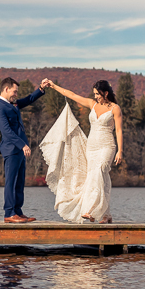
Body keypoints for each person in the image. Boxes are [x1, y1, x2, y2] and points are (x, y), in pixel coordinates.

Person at [40, 80, 123, 223]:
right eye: (95, 94)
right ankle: (106, 215)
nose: (96, 96)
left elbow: (119, 131)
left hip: (106, 146)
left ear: (106, 93)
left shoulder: (115, 109)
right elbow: (72, 95)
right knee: (98, 177)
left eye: (98, 94)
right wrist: (53, 86)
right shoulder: (93, 104)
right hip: (91, 147)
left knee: (98, 172)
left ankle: (91, 210)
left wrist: (120, 151)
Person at [0, 77, 49, 223]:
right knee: (11, 182)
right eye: (14, 91)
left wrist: (41, 89)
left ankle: (17, 211)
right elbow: (6, 131)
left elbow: (29, 99)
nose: (16, 94)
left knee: (19, 182)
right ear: (6, 89)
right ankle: (9, 213)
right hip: (11, 150)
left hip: (20, 150)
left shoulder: (13, 104)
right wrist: (22, 145)